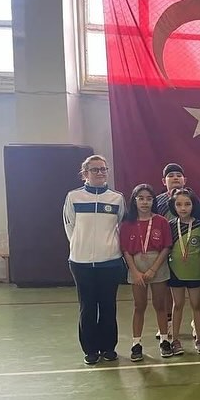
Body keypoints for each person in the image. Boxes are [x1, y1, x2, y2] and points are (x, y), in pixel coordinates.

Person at [63, 155, 125, 365]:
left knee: (108, 306)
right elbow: (70, 226)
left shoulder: (116, 198)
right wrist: (80, 246)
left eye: (103, 169)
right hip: (80, 264)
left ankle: (108, 347)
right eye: (95, 169)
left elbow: (120, 226)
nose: (100, 173)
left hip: (110, 262)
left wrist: (108, 247)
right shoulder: (73, 197)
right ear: (85, 174)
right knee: (87, 307)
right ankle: (90, 350)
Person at [120, 184, 172, 361]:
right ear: (134, 201)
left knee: (160, 305)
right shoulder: (127, 224)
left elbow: (166, 247)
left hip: (157, 265)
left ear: (153, 201)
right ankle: (136, 343)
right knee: (139, 306)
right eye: (141, 198)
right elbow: (126, 250)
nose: (144, 202)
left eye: (149, 199)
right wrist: (134, 272)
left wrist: (153, 269)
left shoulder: (161, 221)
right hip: (136, 266)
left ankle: (164, 340)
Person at [167, 189, 200, 357]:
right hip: (176, 271)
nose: (183, 208)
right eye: (179, 204)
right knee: (177, 305)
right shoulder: (171, 225)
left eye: (187, 204)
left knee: (196, 304)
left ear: (193, 205)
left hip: (195, 272)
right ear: (173, 206)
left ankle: (199, 339)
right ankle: (175, 340)